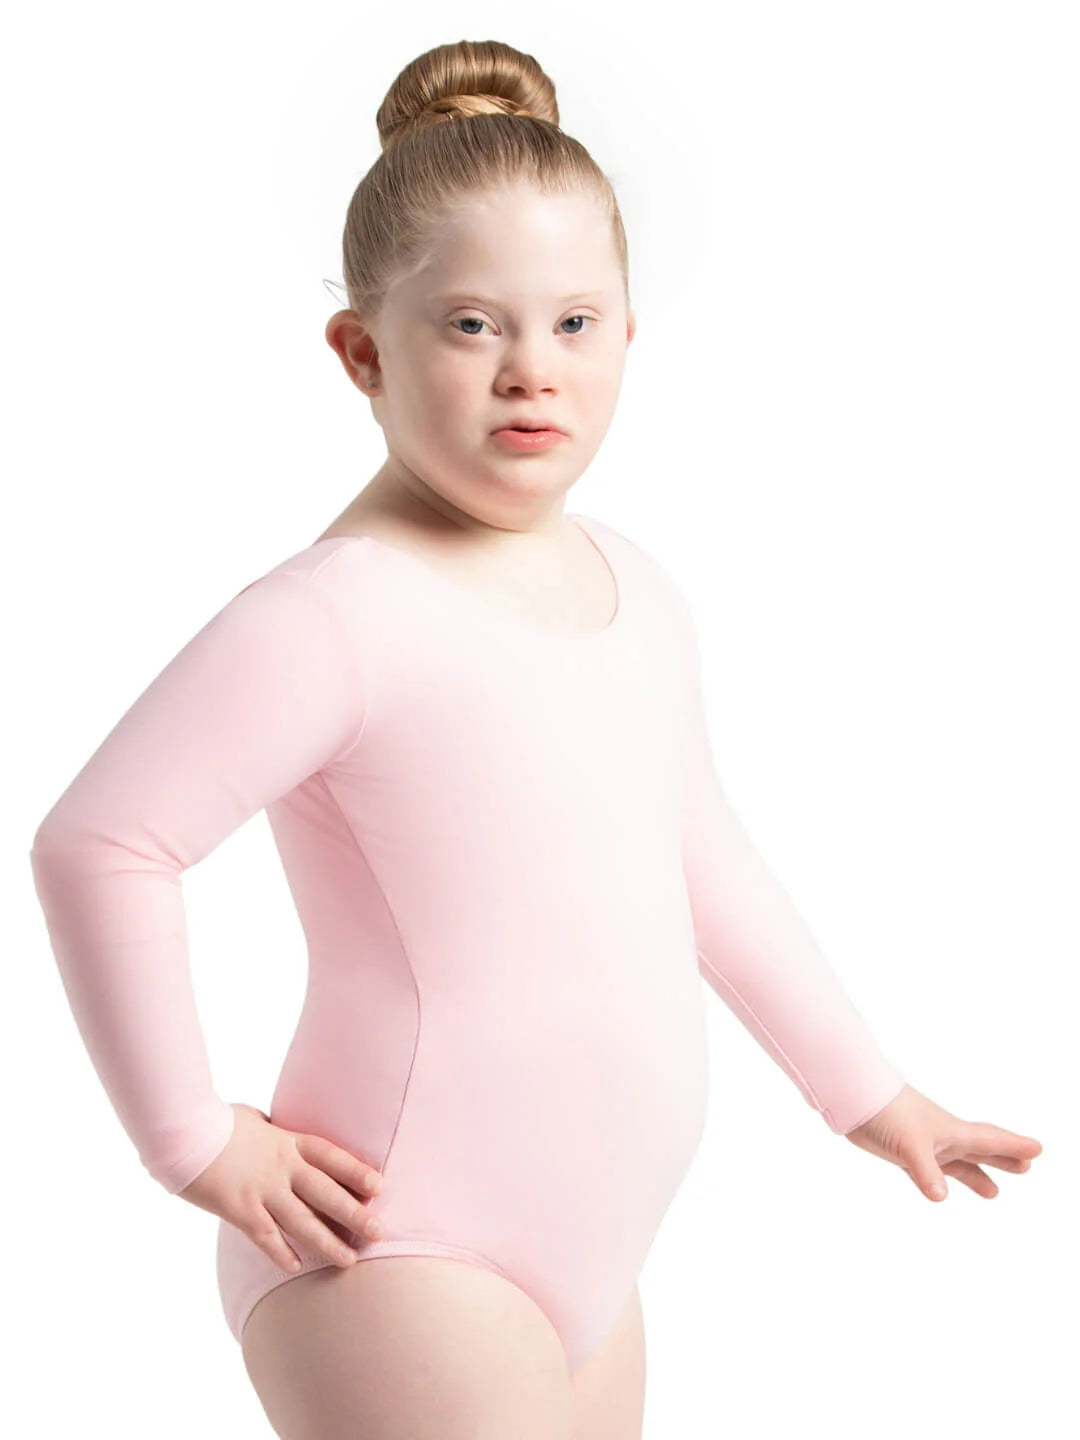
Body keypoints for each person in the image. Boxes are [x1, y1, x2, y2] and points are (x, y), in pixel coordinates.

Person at [28, 37, 1042, 1440]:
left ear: (627, 337)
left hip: (598, 1262)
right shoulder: (336, 614)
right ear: (362, 352)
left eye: (573, 322)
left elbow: (705, 864)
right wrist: (191, 1141)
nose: (530, 374)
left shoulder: (637, 587)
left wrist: (874, 1096)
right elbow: (100, 843)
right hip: (392, 1245)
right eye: (470, 326)